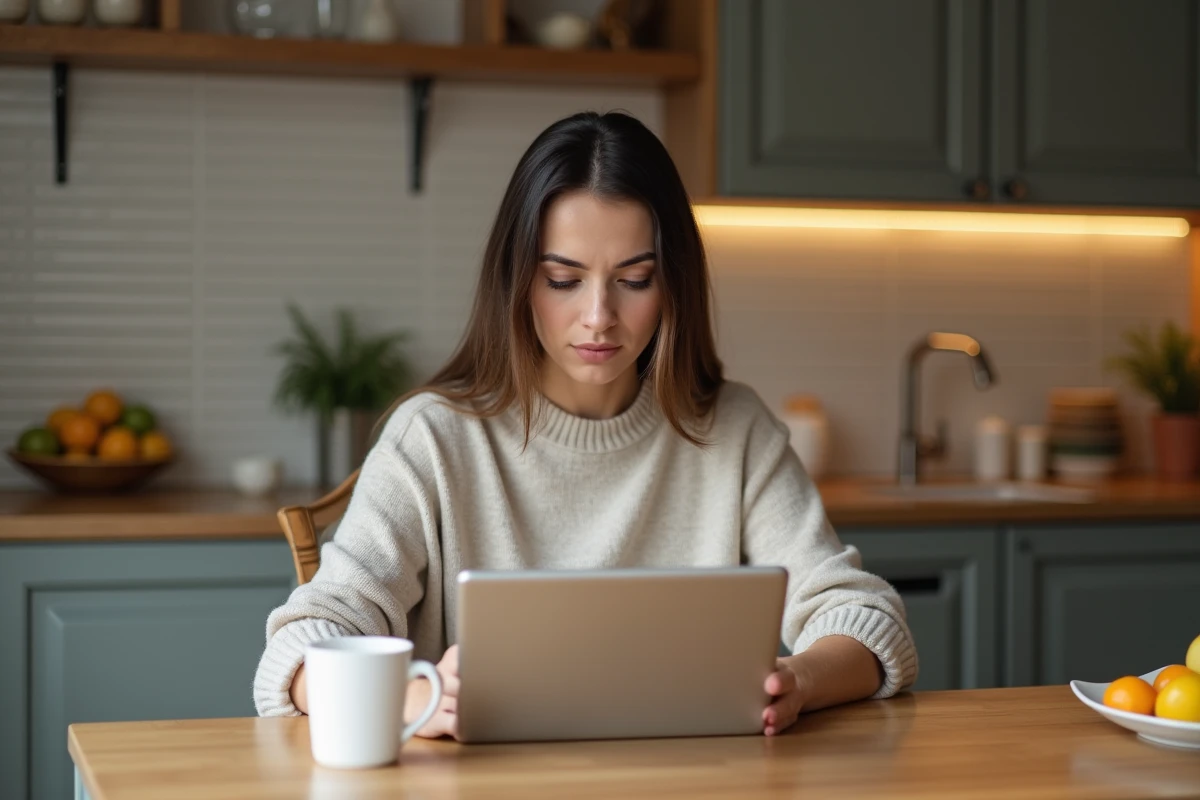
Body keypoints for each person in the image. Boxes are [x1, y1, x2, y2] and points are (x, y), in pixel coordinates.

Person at [254, 111, 917, 738]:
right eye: (564, 279)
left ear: (673, 285)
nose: (599, 315)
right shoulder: (431, 438)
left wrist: (799, 679)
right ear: (518, 280)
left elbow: (864, 619)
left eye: (634, 279)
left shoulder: (733, 429)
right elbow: (304, 645)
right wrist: (414, 699)